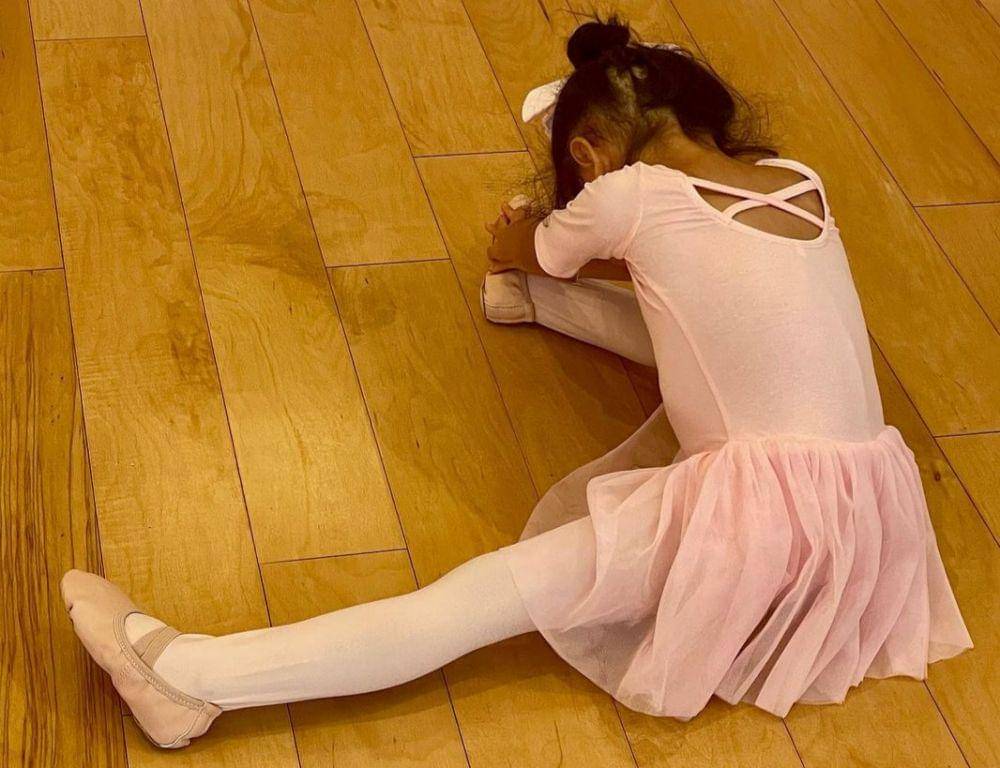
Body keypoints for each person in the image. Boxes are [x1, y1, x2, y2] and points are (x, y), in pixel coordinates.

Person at [61, 18, 971, 750]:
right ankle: (529, 310)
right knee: (681, 336)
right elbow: (688, 286)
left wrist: (521, 238)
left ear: (588, 152)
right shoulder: (796, 181)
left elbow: (529, 248)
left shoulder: (624, 196)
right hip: (864, 513)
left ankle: (189, 680)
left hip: (757, 521)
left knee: (477, 597)